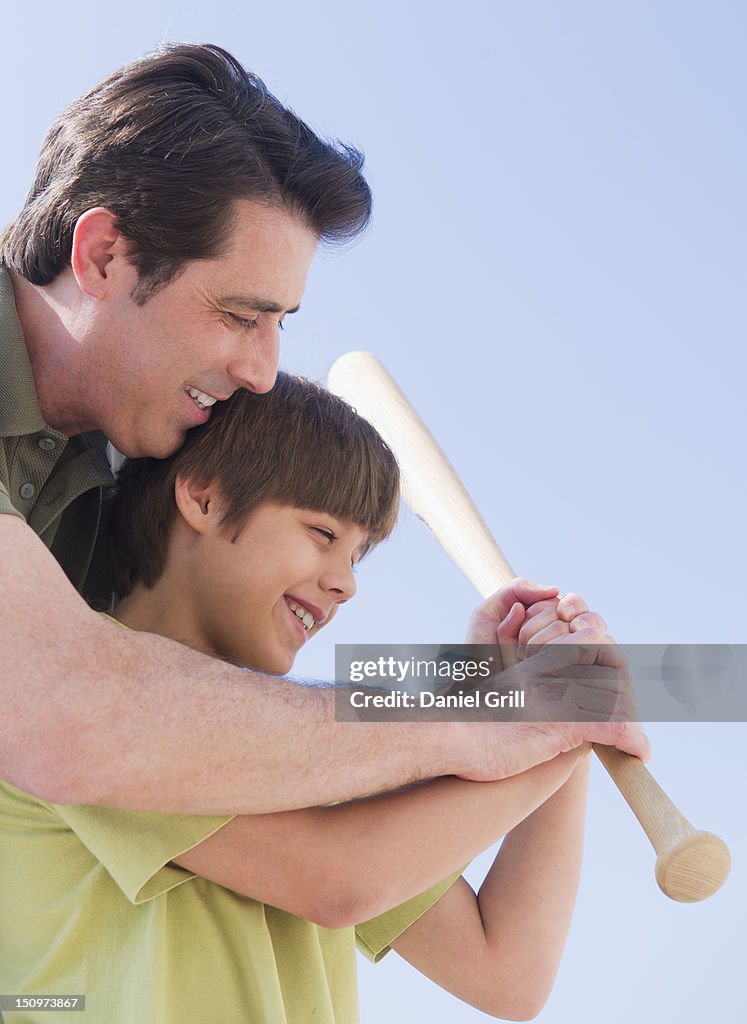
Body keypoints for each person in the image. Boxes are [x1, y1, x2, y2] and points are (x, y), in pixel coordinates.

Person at [0, 42, 648, 817]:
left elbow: (172, 692)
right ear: (105, 255)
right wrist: (464, 717)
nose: (264, 371)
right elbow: (76, 716)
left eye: (279, 323)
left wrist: (476, 683)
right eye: (239, 315)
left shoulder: (131, 475)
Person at [0, 374, 613, 1022]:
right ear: (203, 498)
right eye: (322, 535)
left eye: (357, 557)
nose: (346, 585)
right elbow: (340, 880)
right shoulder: (86, 703)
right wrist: (547, 717)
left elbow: (506, 971)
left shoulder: (312, 755)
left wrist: (558, 720)